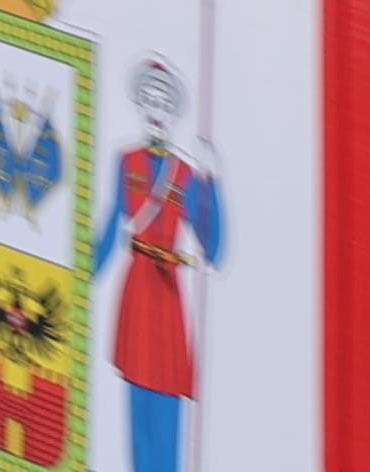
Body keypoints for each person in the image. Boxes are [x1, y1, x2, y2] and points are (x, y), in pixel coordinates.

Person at [88, 57, 224, 472]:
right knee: (136, 403)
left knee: (165, 403)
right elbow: (112, 225)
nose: (155, 109)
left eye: (163, 102)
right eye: (149, 99)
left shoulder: (184, 174)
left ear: (173, 112)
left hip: (166, 296)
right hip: (136, 287)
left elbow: (213, 248)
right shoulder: (125, 161)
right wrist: (81, 278)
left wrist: (213, 184)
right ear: (139, 105)